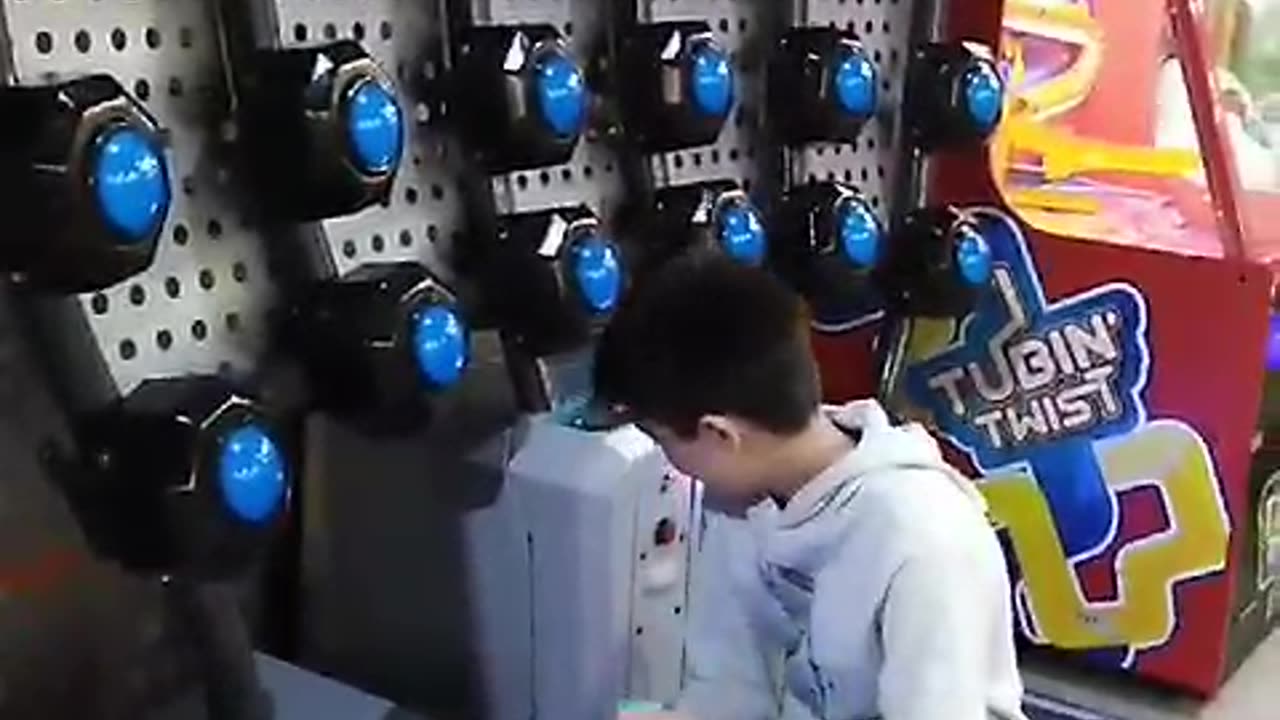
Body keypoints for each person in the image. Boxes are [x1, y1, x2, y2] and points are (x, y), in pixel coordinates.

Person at [594, 253, 1028, 720]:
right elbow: (731, 687)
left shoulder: (923, 540)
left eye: (662, 440)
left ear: (720, 434)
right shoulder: (745, 507)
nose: (669, 462)